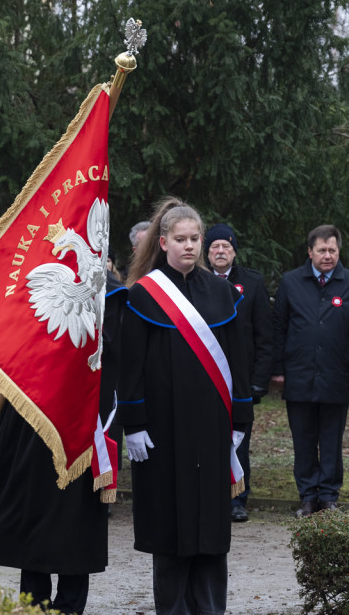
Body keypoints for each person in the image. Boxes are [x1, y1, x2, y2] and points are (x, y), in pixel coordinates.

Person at [0, 268, 127, 615]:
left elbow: (117, 360)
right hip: (33, 427)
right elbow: (14, 356)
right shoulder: (35, 282)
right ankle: (34, 604)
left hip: (84, 428)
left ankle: (70, 607)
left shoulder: (113, 295)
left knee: (76, 527)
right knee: (33, 521)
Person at [118, 198, 253, 615]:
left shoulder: (222, 292)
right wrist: (134, 423)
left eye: (196, 238)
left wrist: (240, 418)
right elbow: (131, 366)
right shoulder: (144, 295)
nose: (190, 246)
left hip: (213, 426)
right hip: (163, 427)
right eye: (181, 239)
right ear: (163, 242)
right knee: (170, 523)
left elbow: (238, 359)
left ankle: (210, 607)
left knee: (212, 523)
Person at [271, 225, 349, 517]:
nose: (327, 256)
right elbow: (279, 328)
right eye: (322, 250)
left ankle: (329, 497)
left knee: (332, 441)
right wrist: (277, 370)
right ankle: (308, 497)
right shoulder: (290, 282)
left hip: (336, 377)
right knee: (303, 440)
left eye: (332, 250)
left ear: (339, 251)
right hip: (299, 375)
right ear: (310, 252)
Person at [204, 223, 273, 522]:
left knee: (238, 441)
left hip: (240, 382)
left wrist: (259, 381)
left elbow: (264, 336)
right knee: (203, 439)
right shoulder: (195, 281)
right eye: (215, 247)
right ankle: (207, 496)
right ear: (207, 253)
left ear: (234, 251)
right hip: (202, 377)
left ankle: (237, 499)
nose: (220, 252)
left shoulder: (253, 283)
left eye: (226, 247)